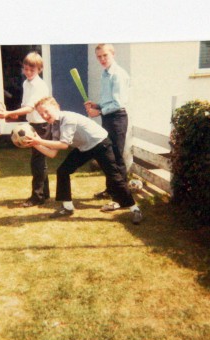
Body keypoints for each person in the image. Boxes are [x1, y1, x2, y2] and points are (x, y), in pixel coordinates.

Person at [24, 97, 143, 225]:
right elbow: (52, 153)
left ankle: (135, 210)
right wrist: (34, 144)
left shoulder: (68, 119)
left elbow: (63, 145)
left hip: (100, 144)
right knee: (63, 171)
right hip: (84, 147)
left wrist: (39, 141)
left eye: (46, 111)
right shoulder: (55, 125)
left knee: (114, 177)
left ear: (56, 107)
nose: (45, 116)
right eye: (41, 114)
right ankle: (67, 207)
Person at [0, 51, 51, 207]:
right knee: (39, 160)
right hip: (32, 124)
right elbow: (25, 106)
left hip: (41, 125)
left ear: (39, 70)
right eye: (25, 69)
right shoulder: (26, 83)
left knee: (37, 161)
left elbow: (28, 108)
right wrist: (15, 114)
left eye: (31, 70)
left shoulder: (40, 86)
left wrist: (8, 113)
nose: (27, 72)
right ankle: (44, 194)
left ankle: (37, 197)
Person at [84, 43, 130, 211]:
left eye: (105, 55)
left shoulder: (118, 75)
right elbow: (108, 100)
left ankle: (121, 199)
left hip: (117, 118)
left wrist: (99, 112)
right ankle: (111, 190)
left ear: (113, 54)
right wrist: (97, 105)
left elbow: (118, 103)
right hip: (108, 117)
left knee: (117, 158)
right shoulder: (105, 74)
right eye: (99, 56)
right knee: (107, 156)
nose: (102, 59)